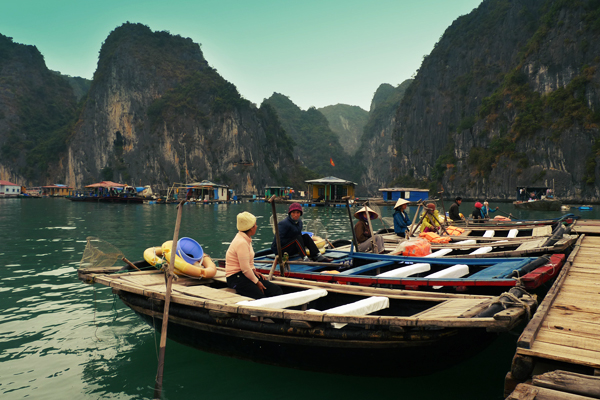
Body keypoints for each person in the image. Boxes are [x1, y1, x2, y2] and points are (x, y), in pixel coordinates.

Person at [226, 212, 283, 299]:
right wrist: (257, 282)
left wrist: (254, 271)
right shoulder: (241, 242)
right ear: (250, 228)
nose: (256, 227)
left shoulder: (246, 239)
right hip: (235, 278)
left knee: (275, 290)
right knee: (260, 296)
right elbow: (245, 268)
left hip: (244, 274)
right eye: (255, 225)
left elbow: (249, 262)